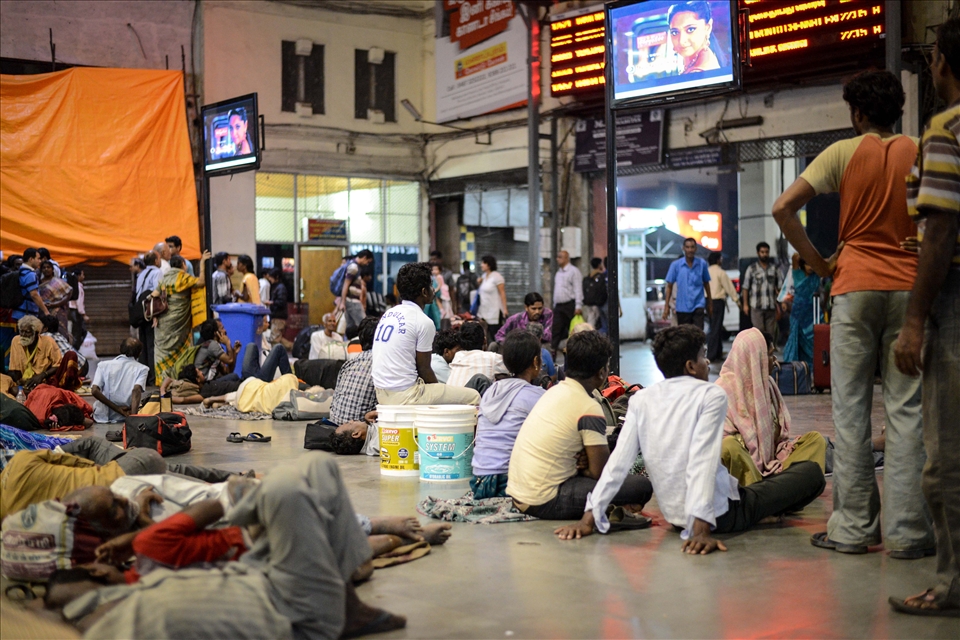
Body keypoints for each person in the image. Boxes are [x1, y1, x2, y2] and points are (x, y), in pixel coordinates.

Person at [772, 70, 935, 559]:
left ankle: (853, 529)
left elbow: (784, 207)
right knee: (907, 413)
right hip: (909, 289)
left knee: (851, 412)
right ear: (898, 110)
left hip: (854, 286)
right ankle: (910, 534)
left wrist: (818, 260)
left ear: (858, 113)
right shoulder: (920, 150)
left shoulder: (843, 153)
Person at [43, 455, 406, 640]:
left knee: (313, 471)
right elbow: (216, 505)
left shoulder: (145, 565)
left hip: (260, 564)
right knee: (286, 488)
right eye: (115, 508)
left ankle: (350, 580)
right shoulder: (137, 595)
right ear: (95, 569)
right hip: (286, 597)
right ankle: (351, 581)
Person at [556, 325, 826, 548]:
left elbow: (618, 464)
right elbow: (703, 460)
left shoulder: (642, 399)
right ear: (691, 366)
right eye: (704, 356)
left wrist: (590, 515)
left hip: (676, 517)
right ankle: (763, 514)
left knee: (754, 490)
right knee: (811, 473)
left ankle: (764, 511)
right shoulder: (710, 395)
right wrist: (700, 526)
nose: (708, 362)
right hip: (719, 515)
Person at [889, 18, 960, 618]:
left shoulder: (945, 129)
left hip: (953, 302)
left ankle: (953, 585)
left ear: (941, 63)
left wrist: (915, 321)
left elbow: (939, 230)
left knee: (948, 456)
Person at [507, 331, 652, 520]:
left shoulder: (553, 391)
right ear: (602, 372)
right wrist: (585, 468)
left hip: (518, 494)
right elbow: (599, 473)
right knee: (641, 487)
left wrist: (586, 462)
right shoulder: (589, 407)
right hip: (543, 501)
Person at [0, 438, 236, 520]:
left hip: (109, 496)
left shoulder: (7, 518)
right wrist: (104, 472)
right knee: (155, 466)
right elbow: (78, 463)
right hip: (121, 475)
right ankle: (233, 480)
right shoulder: (20, 461)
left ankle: (229, 482)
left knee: (168, 478)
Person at [717, 329, 827, 486]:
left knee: (815, 441)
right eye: (769, 355)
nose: (775, 361)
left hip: (771, 467)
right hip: (746, 475)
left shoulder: (768, 386)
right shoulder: (721, 392)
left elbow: (778, 441)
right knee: (729, 447)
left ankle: (778, 493)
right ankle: (762, 496)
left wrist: (783, 452)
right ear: (754, 357)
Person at [372, 262, 480, 406]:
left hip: (381, 393)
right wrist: (439, 391)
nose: (434, 290)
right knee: (473, 396)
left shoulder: (388, 314)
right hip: (406, 395)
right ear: (424, 292)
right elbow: (424, 369)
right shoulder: (423, 321)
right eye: (431, 285)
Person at [471, 331, 547, 499]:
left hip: (478, 481)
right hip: (510, 483)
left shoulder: (491, 391)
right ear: (536, 362)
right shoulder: (536, 396)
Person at [153, 252, 211, 381]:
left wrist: (155, 315)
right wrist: (202, 263)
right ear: (183, 265)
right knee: (180, 351)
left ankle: (162, 380)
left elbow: (153, 295)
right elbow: (201, 282)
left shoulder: (164, 278)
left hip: (163, 322)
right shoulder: (182, 278)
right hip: (179, 323)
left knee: (163, 352)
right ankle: (178, 377)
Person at [329, 317, 378, 426]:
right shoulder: (382, 365)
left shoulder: (348, 364)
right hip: (358, 429)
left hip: (334, 424)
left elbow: (335, 400)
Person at [8, 315, 76, 391]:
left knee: (71, 355)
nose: (23, 335)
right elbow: (14, 368)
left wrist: (42, 375)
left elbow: (57, 365)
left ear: (36, 333)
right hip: (27, 382)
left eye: (27, 332)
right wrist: (22, 382)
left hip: (46, 379)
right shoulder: (16, 340)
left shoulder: (48, 341)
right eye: (21, 331)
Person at [90, 338, 149, 424]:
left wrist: (118, 409)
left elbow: (94, 390)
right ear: (140, 353)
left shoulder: (103, 365)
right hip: (124, 418)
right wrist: (132, 418)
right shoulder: (142, 369)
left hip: (102, 417)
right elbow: (136, 390)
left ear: (120, 349)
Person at [664, 238, 711, 330]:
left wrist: (710, 303)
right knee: (685, 336)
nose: (690, 250)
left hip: (698, 304)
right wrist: (666, 307)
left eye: (692, 247)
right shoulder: (676, 265)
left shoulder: (702, 264)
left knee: (697, 334)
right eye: (687, 247)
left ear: (696, 249)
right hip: (682, 307)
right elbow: (669, 286)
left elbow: (706, 283)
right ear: (683, 248)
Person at [446, 321, 508, 388]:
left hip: (450, 397)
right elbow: (514, 369)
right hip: (473, 398)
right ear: (484, 341)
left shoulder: (458, 357)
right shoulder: (493, 358)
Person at [782, 259, 820, 366]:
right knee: (796, 338)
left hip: (813, 311)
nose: (810, 268)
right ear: (803, 265)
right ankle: (792, 367)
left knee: (813, 340)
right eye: (808, 264)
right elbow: (795, 256)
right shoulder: (797, 274)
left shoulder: (816, 276)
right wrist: (808, 252)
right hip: (798, 313)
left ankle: (812, 367)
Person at [741, 242, 784, 337]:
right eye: (762, 252)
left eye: (766, 252)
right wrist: (745, 305)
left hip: (771, 306)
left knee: (770, 334)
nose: (764, 254)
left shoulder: (775, 269)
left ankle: (769, 352)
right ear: (758, 253)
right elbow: (745, 288)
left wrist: (781, 304)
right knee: (758, 333)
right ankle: (760, 352)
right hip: (756, 306)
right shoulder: (751, 269)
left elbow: (780, 287)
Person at [668, 1, 722, 74]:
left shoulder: (697, 72)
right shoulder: (697, 60)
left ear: (708, 28)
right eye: (675, 32)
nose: (681, 41)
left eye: (690, 29)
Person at [705, 252, 738, 361]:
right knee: (715, 328)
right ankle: (712, 354)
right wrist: (737, 300)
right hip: (718, 302)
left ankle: (717, 352)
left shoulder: (706, 271)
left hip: (707, 301)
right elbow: (729, 288)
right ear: (718, 260)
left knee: (714, 326)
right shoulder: (721, 272)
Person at [335, 250, 375, 339]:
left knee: (351, 327)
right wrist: (342, 302)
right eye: (368, 261)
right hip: (352, 301)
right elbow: (346, 285)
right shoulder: (354, 268)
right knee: (365, 325)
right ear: (364, 258)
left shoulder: (355, 266)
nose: (367, 264)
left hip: (350, 301)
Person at [135, 251, 161, 384]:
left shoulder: (141, 274)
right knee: (152, 347)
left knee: (143, 346)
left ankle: (144, 377)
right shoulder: (157, 272)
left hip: (140, 313)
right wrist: (156, 315)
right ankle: (153, 378)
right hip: (150, 313)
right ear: (156, 260)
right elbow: (157, 293)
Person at [160, 364, 242, 404]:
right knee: (251, 347)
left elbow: (168, 379)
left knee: (233, 376)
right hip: (244, 386)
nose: (202, 372)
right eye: (199, 372)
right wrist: (164, 397)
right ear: (197, 379)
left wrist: (162, 390)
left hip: (234, 383)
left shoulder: (203, 384)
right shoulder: (205, 392)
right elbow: (183, 400)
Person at [550, 250, 582, 352]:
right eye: (557, 257)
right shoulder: (558, 273)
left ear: (566, 258)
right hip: (559, 306)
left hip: (570, 305)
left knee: (573, 331)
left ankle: (576, 352)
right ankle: (552, 355)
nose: (557, 259)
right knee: (555, 331)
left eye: (560, 257)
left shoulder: (574, 271)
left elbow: (578, 288)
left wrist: (578, 305)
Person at [40, 313, 87, 378]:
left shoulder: (45, 337)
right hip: (83, 362)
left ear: (45, 328)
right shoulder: (57, 334)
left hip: (77, 367)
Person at [477, 255, 508, 344]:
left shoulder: (497, 277)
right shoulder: (484, 276)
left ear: (489, 265)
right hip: (484, 311)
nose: (481, 265)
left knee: (496, 336)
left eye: (483, 263)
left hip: (494, 311)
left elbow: (502, 293)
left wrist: (505, 309)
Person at [38, 259, 72, 338]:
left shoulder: (58, 281)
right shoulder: (38, 282)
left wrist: (55, 304)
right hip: (43, 312)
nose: (46, 269)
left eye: (48, 267)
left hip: (58, 312)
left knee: (61, 332)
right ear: (41, 270)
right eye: (44, 267)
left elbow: (68, 293)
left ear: (52, 269)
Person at [13, 248, 50, 321]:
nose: (40, 261)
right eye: (38, 259)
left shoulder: (21, 271)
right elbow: (34, 294)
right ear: (31, 259)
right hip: (26, 314)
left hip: (19, 312)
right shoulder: (30, 274)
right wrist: (46, 311)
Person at [265, 268, 293, 350]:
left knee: (275, 340)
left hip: (279, 317)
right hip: (277, 316)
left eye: (271, 277)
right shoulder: (278, 287)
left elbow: (281, 301)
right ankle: (294, 347)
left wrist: (271, 303)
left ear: (276, 277)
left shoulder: (280, 288)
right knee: (277, 338)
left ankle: (292, 347)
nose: (269, 279)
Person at [581, 258, 608, 334]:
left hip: (589, 304)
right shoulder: (601, 276)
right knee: (596, 325)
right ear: (599, 265)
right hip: (598, 305)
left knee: (591, 322)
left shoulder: (588, 277)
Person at [66, 268, 88, 348]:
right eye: (82, 274)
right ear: (78, 276)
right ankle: (74, 349)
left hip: (71, 311)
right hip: (75, 311)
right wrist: (83, 314)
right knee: (79, 332)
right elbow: (79, 301)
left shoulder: (72, 285)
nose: (84, 277)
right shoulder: (78, 286)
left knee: (73, 331)